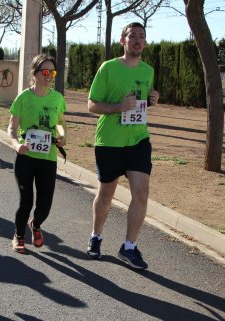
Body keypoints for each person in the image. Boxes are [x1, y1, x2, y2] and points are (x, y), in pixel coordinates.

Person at [86, 22, 159, 270]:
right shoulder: (108, 68)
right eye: (132, 36)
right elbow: (92, 105)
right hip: (109, 142)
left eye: (142, 36)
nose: (137, 40)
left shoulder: (148, 71)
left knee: (141, 193)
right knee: (106, 194)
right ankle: (96, 236)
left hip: (138, 140)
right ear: (123, 41)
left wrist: (151, 101)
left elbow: (139, 105)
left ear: (145, 42)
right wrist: (118, 107)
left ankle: (129, 247)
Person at [7, 54, 67, 253]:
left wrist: (63, 136)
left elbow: (60, 123)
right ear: (34, 73)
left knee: (45, 205)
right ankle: (19, 234)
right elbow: (12, 128)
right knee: (26, 201)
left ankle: (36, 224)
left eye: (53, 72)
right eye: (45, 72)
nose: (49, 76)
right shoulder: (23, 98)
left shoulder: (57, 98)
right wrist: (16, 145)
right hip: (26, 157)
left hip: (48, 159)